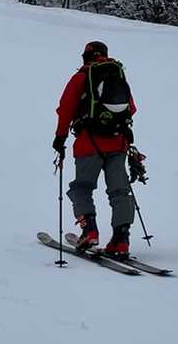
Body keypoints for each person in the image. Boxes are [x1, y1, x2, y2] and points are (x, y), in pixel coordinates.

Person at [53, 40, 136, 257]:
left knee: (82, 187)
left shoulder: (81, 77)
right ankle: (121, 239)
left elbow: (65, 109)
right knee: (119, 190)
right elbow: (132, 109)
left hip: (89, 143)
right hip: (118, 142)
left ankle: (89, 230)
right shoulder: (117, 75)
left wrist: (60, 138)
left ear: (85, 57)